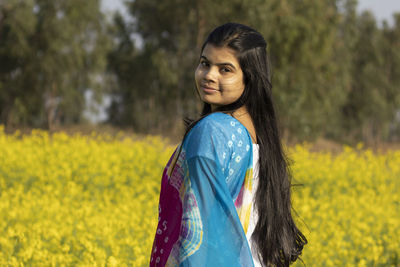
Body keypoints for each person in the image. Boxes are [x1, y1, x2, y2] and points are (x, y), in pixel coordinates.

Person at [150, 22, 307, 267]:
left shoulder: (212, 132)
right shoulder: (258, 137)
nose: (209, 75)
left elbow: (199, 232)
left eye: (225, 69)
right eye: (204, 63)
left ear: (249, 77)